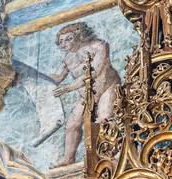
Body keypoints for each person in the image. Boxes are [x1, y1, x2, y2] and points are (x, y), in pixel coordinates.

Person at [49, 22, 121, 167]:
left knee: (105, 118)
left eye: (69, 39)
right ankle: (68, 159)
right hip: (87, 95)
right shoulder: (68, 58)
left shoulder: (99, 46)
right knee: (72, 124)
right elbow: (57, 77)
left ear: (80, 36)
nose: (64, 44)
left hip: (108, 87)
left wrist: (70, 87)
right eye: (61, 41)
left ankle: (113, 155)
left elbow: (94, 72)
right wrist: (34, 76)